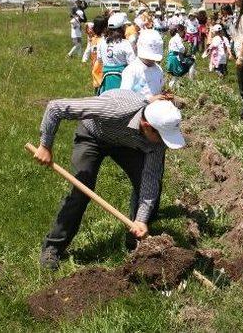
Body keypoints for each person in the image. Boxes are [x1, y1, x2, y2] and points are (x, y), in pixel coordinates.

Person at [33, 89, 185, 270]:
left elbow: (150, 178)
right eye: (160, 136)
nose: (162, 142)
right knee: (81, 189)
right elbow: (55, 107)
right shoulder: (113, 108)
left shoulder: (157, 141)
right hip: (93, 135)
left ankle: (136, 241)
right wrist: (45, 145)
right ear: (146, 124)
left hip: (126, 144)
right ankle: (53, 247)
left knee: (150, 188)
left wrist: (141, 220)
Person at [120, 29, 165, 98]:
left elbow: (160, 89)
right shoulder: (131, 70)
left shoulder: (158, 69)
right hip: (139, 108)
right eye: (148, 57)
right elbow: (124, 97)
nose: (151, 60)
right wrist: (148, 101)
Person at [98, 13, 135, 93]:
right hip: (122, 80)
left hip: (106, 79)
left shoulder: (101, 42)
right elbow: (132, 64)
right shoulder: (125, 43)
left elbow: (99, 59)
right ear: (122, 28)